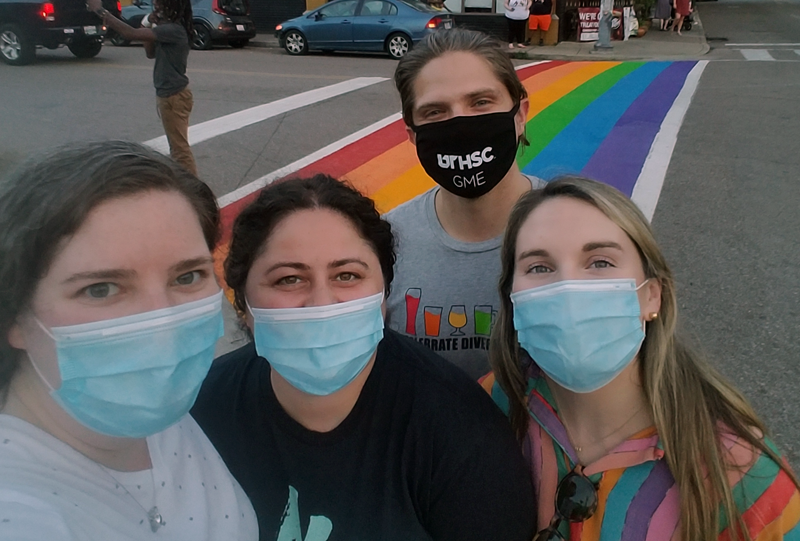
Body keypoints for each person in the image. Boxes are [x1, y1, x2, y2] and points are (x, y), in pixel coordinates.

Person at [191, 174, 536, 541]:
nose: (322, 303)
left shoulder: (464, 439)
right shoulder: (199, 414)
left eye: (347, 275)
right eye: (289, 280)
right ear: (242, 304)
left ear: (384, 297)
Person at [489, 177, 800, 540]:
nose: (569, 288)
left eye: (600, 262)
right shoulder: (488, 406)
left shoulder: (740, 474)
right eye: (539, 267)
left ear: (652, 296)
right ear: (512, 297)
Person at [0, 141, 257, 540]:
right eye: (101, 289)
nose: (163, 324)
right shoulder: (19, 513)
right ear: (15, 313)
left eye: (187, 277)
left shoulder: (158, 413)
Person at [386, 28, 545, 380]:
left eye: (481, 102)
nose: (460, 124)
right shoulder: (383, 244)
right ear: (412, 135)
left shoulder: (580, 231)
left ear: (520, 114)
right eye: (435, 112)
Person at [87, 0, 198, 175]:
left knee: (179, 150)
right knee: (177, 148)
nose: (157, 7)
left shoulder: (173, 30)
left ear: (171, 7)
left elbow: (130, 33)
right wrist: (148, 22)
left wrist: (100, 11)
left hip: (173, 97)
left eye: (160, 5)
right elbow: (150, 53)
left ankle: (195, 192)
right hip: (170, 95)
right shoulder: (167, 29)